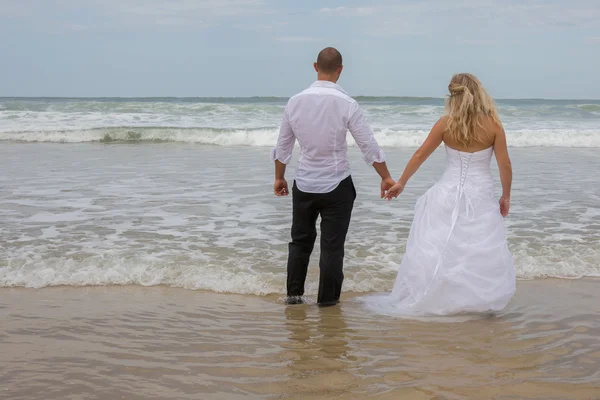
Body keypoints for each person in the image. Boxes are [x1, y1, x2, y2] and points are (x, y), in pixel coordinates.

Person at [362, 73, 515, 316]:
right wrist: (506, 196)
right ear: (478, 93)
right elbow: (504, 165)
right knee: (475, 247)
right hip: (480, 195)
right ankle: (474, 302)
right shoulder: (493, 125)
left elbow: (420, 155)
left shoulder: (446, 123)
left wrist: (402, 182)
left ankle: (437, 297)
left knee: (440, 245)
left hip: (447, 192)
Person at [271, 47, 395, 307]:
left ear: (315, 67)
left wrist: (279, 177)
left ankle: (294, 298)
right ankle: (327, 304)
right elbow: (368, 145)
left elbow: (283, 147)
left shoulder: (295, 101)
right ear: (340, 70)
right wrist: (385, 177)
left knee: (300, 243)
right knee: (332, 247)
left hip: (304, 183)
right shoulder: (347, 103)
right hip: (337, 185)